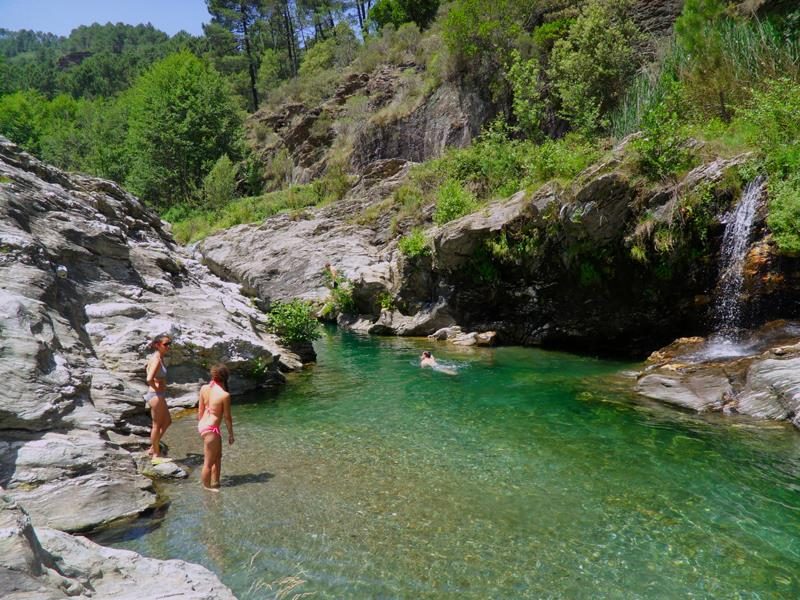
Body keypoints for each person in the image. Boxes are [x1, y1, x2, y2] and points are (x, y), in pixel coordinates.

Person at [197, 364, 234, 491]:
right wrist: (231, 434)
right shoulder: (224, 395)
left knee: (217, 456)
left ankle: (216, 482)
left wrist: (202, 428)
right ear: (226, 377)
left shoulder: (204, 388)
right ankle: (207, 488)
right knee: (208, 462)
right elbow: (227, 417)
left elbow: (200, 410)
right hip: (212, 429)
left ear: (213, 375)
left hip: (204, 425)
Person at [145, 334, 172, 460]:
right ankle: (156, 454)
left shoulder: (159, 358)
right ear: (157, 345)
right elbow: (149, 378)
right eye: (166, 344)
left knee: (167, 421)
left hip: (159, 395)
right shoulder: (156, 359)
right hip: (156, 395)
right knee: (156, 425)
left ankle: (153, 447)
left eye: (169, 344)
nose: (168, 346)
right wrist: (157, 389)